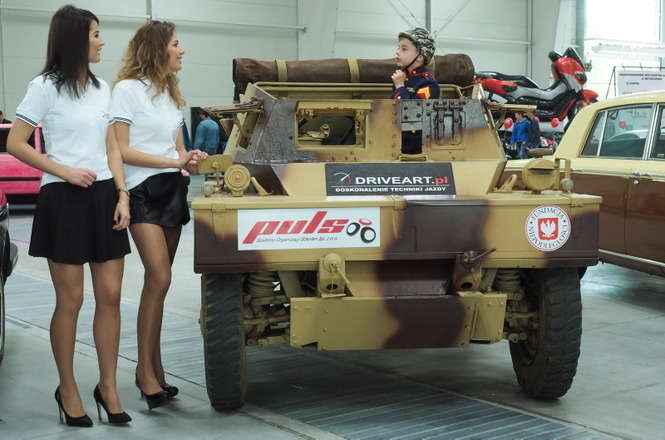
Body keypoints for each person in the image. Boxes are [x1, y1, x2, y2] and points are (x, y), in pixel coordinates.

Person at [7, 5, 131, 427]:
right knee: (71, 300)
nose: (102, 41)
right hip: (63, 196)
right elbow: (17, 143)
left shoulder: (102, 88)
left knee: (110, 295)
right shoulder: (43, 87)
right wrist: (63, 170)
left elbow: (112, 147)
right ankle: (68, 388)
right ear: (75, 39)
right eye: (96, 34)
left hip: (104, 195)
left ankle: (108, 386)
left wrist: (123, 194)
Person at [111, 20, 206, 410]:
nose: (182, 50)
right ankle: (144, 371)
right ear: (156, 48)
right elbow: (121, 150)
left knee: (160, 285)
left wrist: (190, 160)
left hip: (172, 191)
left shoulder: (169, 93)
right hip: (142, 191)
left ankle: (154, 368)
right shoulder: (126, 90)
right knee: (160, 276)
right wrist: (173, 161)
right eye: (176, 44)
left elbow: (178, 151)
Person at [391, 27, 440, 155]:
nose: (397, 52)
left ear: (419, 57)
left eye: (404, 49)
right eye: (398, 48)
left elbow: (413, 113)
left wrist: (400, 87)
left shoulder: (428, 83)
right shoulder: (403, 78)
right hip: (395, 141)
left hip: (413, 148)